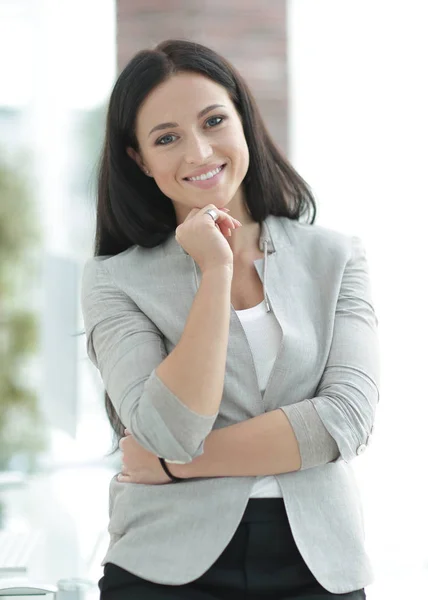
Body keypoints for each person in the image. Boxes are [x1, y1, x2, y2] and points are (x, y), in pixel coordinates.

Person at [81, 39, 380, 600]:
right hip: (164, 563)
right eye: (166, 138)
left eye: (213, 120)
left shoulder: (336, 258)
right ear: (139, 160)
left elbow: (344, 420)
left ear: (243, 119)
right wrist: (215, 271)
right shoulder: (114, 281)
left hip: (319, 562)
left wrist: (172, 468)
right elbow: (169, 430)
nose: (198, 152)